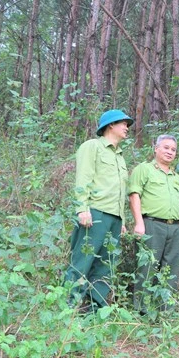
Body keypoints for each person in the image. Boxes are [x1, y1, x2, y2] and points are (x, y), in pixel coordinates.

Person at [66, 109, 133, 313]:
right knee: (82, 260)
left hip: (114, 218)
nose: (126, 128)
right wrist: (82, 209)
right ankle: (67, 308)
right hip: (95, 213)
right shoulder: (92, 147)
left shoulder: (120, 157)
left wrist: (121, 221)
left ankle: (94, 311)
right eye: (123, 123)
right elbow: (83, 179)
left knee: (106, 265)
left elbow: (119, 191)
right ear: (110, 125)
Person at [128, 135, 179, 312]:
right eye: (166, 148)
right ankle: (142, 310)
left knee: (171, 270)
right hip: (152, 224)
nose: (169, 152)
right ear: (156, 149)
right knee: (147, 267)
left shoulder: (176, 177)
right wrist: (139, 223)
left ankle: (166, 310)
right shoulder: (144, 169)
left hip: (174, 227)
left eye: (173, 149)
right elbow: (134, 195)